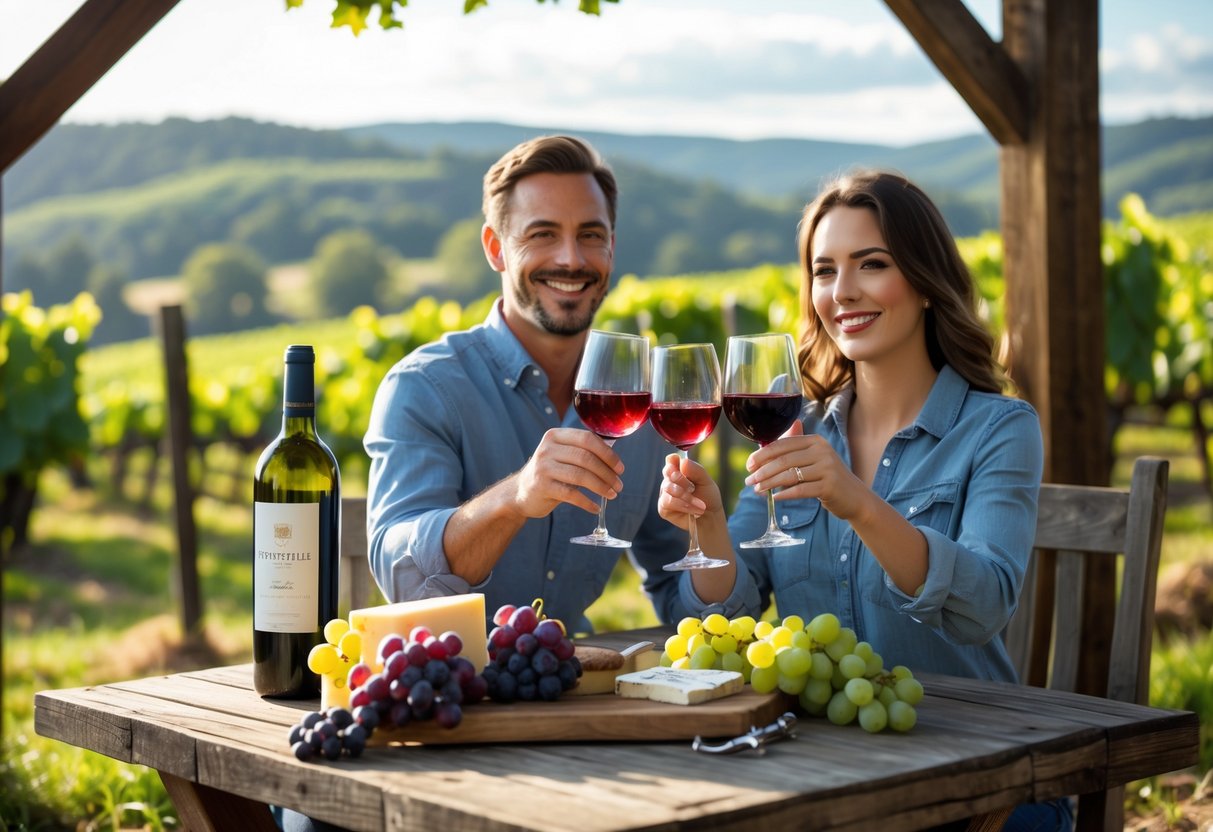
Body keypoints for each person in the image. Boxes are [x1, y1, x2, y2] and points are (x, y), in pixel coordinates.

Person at [658, 170, 1070, 831]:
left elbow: (984, 604)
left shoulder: (998, 428)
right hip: (824, 778)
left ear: (925, 281)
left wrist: (859, 503)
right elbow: (730, 606)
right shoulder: (798, 429)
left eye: (870, 264)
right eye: (823, 271)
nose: (841, 291)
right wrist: (705, 529)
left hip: (977, 783)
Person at [362, 134, 687, 632]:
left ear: (612, 248)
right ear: (496, 248)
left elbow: (679, 588)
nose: (571, 259)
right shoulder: (425, 388)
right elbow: (405, 584)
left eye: (591, 235)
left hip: (573, 685)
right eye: (542, 234)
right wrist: (516, 498)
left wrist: (711, 537)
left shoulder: (643, 405)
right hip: (450, 691)